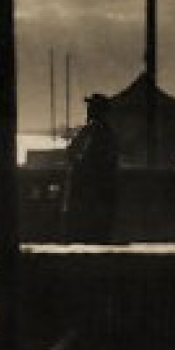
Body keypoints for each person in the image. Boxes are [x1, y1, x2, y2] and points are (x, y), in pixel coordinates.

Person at [63, 93, 120, 243]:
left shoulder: (94, 131)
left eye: (91, 107)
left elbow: (77, 154)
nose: (88, 110)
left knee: (88, 231)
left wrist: (77, 161)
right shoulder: (105, 132)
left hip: (90, 191)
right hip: (100, 191)